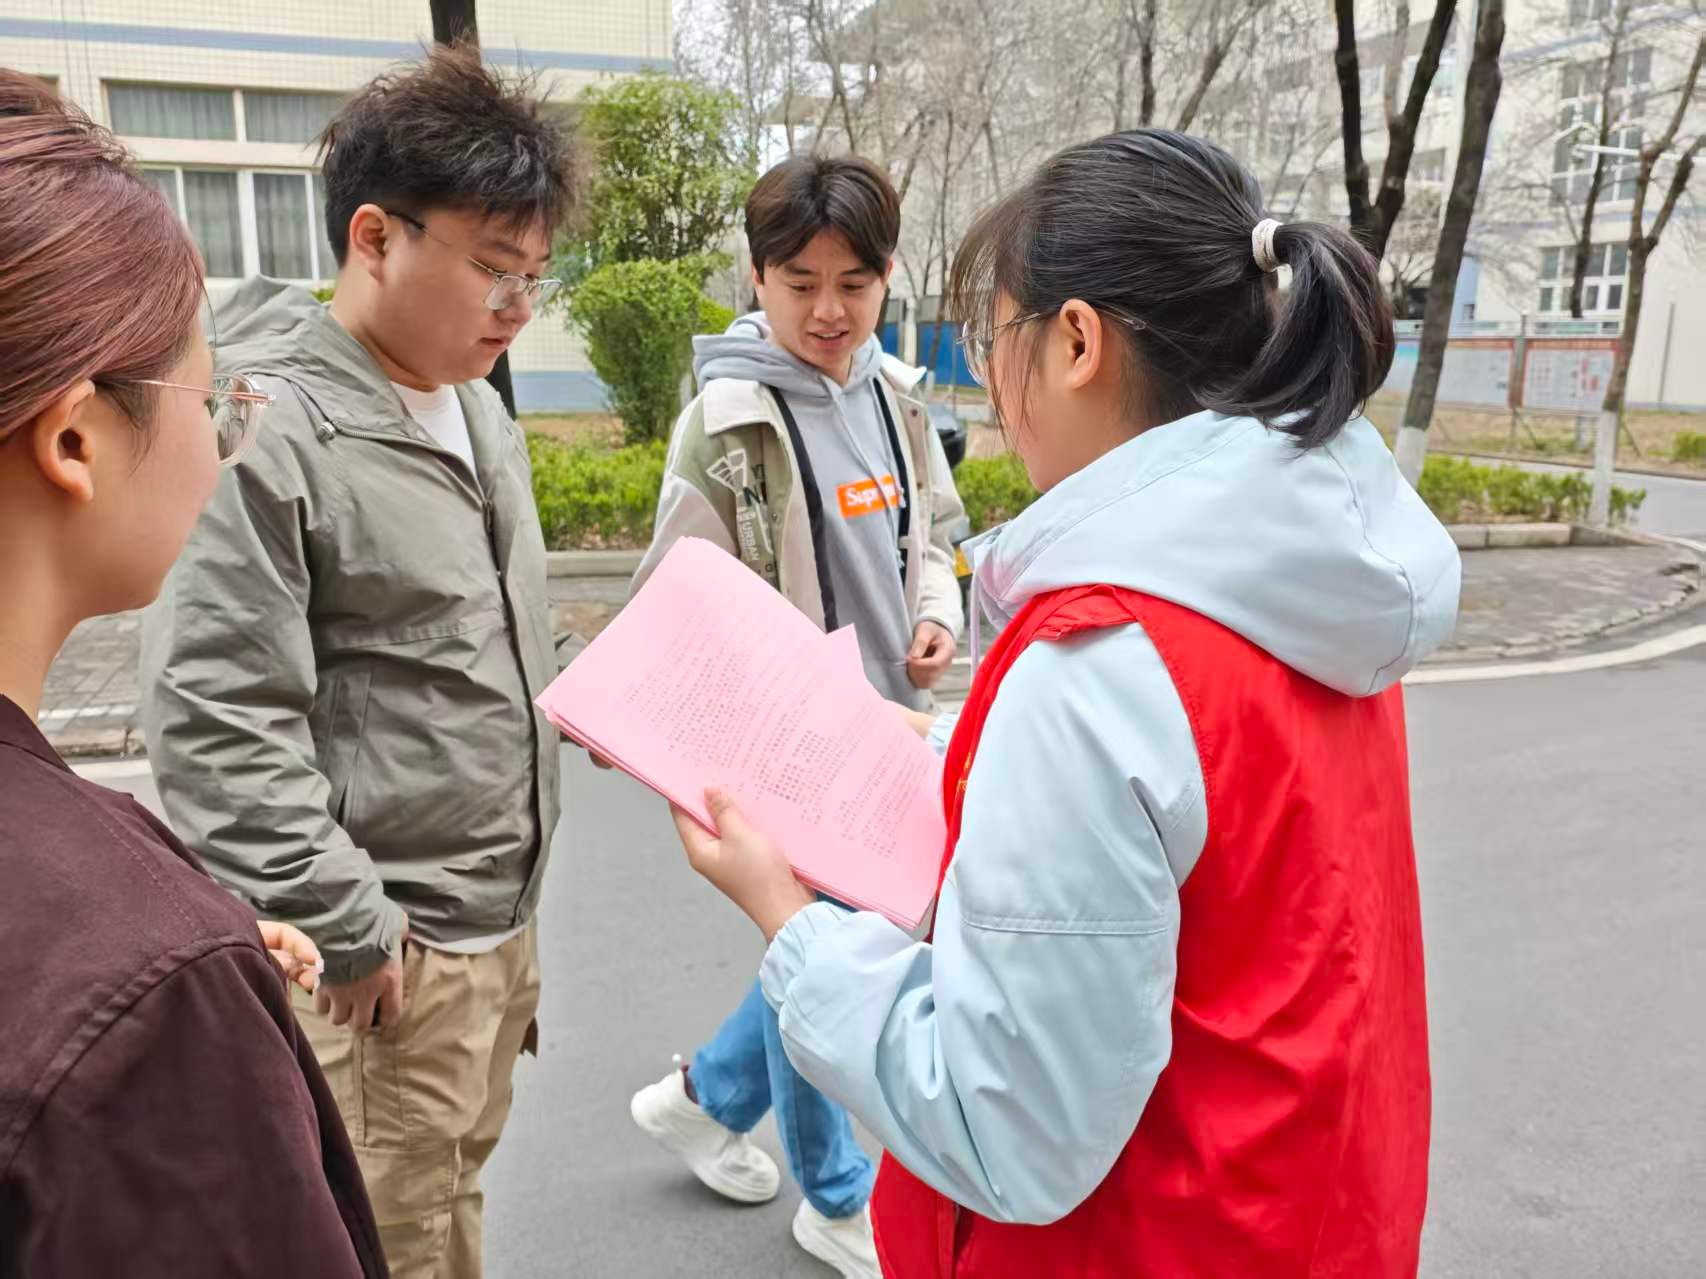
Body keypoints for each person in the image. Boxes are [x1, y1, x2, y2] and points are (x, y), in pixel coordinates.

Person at [670, 129, 1463, 1277]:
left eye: (997, 335)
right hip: (1293, 1213)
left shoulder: (1094, 660)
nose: (993, 384)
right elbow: (1214, 832)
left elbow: (1007, 1123)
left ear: (1076, 341)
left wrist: (786, 922)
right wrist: (955, 741)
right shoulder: (1302, 586)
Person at [138, 47, 574, 1279]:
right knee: (390, 1238)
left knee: (451, 1194)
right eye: (492, 268)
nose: (517, 307)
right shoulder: (269, 430)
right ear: (373, 237)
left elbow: (464, 632)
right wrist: (351, 923)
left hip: (496, 925)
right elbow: (214, 714)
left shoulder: (474, 404)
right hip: (386, 954)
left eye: (535, 275)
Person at [0, 72, 386, 1277]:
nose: (222, 446)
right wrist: (175, 972)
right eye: (210, 396)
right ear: (76, 439)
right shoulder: (142, 994)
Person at [626, 154, 967, 1277]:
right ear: (758, 275)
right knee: (825, 947)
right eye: (800, 282)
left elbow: (934, 533)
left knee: (829, 941)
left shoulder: (895, 397)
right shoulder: (725, 423)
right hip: (791, 747)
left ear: (886, 277)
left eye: (853, 283)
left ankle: (702, 1099)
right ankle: (835, 1197)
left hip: (891, 728)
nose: (828, 310)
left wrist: (933, 613)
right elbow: (677, 596)